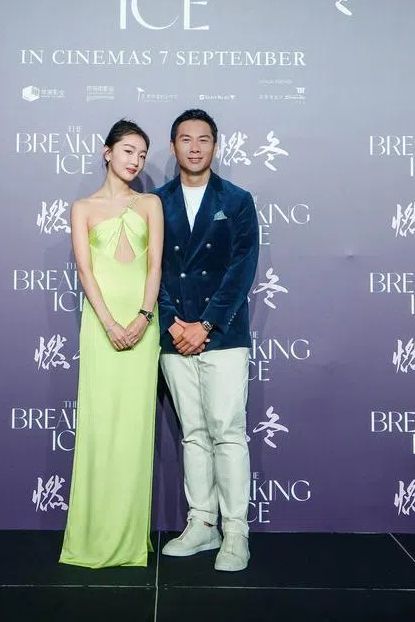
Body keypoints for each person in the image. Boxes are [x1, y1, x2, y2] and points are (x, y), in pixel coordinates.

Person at [154, 109, 259, 572]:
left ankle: (236, 531)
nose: (194, 147)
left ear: (216, 146)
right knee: (193, 434)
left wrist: (207, 325)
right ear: (173, 146)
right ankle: (202, 524)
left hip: (223, 335)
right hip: (174, 335)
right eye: (185, 139)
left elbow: (241, 269)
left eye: (203, 139)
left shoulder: (237, 200)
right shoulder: (155, 202)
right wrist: (174, 322)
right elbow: (149, 269)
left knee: (228, 432)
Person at [59, 119, 164, 568]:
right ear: (107, 152)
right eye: (128, 151)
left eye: (142, 154)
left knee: (135, 430)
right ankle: (91, 536)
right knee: (101, 426)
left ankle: (127, 539)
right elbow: (86, 272)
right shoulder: (81, 207)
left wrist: (141, 319)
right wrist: (108, 323)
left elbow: (155, 266)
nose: (135, 161)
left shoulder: (151, 204)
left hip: (143, 325)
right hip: (100, 327)